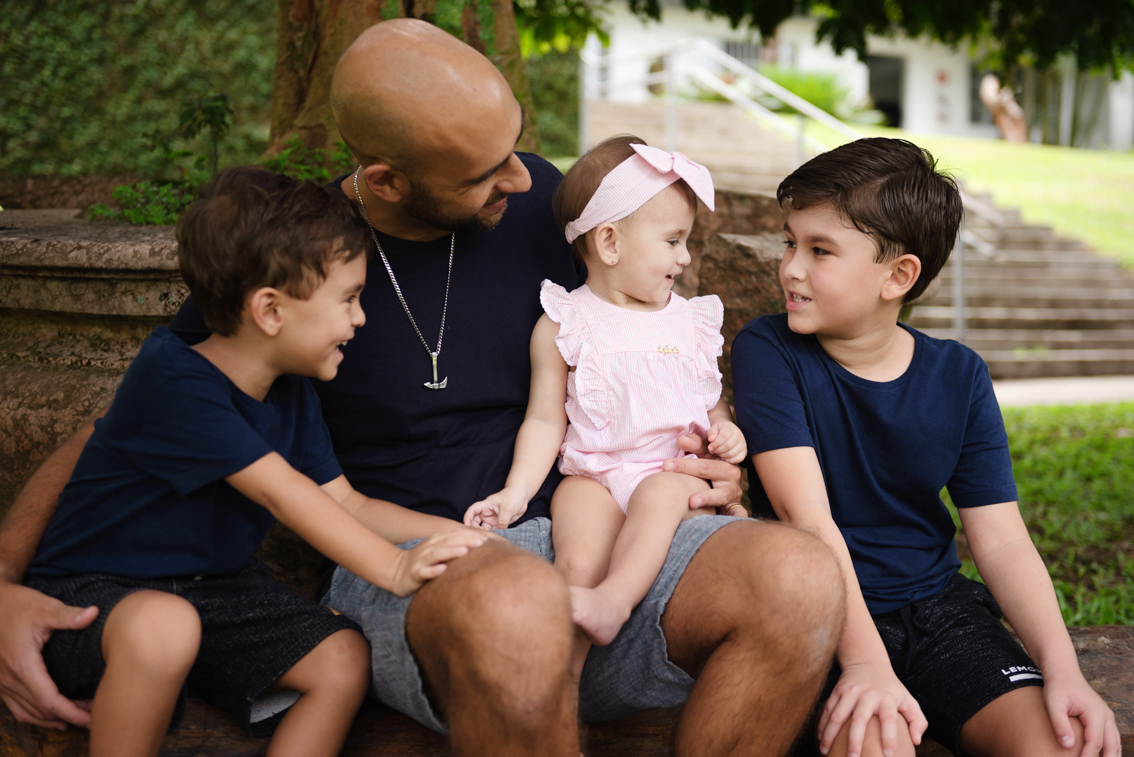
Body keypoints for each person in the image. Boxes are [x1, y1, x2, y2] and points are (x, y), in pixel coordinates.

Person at [0, 19, 847, 757]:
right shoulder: (291, 272)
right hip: (424, 569)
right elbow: (131, 424)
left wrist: (703, 449)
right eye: (485, 174)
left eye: (515, 147)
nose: (520, 182)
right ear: (386, 182)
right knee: (518, 597)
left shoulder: (550, 201)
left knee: (798, 578)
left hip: (607, 529)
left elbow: (648, 335)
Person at [19, 166, 489, 757]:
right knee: (163, 627)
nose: (360, 318)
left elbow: (346, 502)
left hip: (215, 590)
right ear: (270, 311)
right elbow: (281, 492)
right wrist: (395, 571)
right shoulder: (173, 378)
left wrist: (458, 538)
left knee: (342, 658)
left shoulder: (291, 391)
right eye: (348, 298)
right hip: (96, 592)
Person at [731, 137, 1121, 757]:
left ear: (899, 276)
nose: (790, 268)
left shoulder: (960, 376)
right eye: (789, 242)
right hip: (824, 617)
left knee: (1055, 744)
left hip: (939, 613)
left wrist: (1063, 668)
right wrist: (865, 664)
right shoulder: (769, 351)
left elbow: (1001, 539)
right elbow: (811, 521)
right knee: (876, 744)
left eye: (820, 250)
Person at [463, 137, 748, 668]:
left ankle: (615, 601)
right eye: (674, 240)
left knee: (662, 494)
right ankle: (568, 654)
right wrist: (515, 493)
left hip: (671, 471)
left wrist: (727, 430)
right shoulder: (564, 323)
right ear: (610, 243)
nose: (685, 257)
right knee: (576, 545)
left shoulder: (690, 321)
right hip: (595, 474)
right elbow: (545, 421)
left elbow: (710, 403)